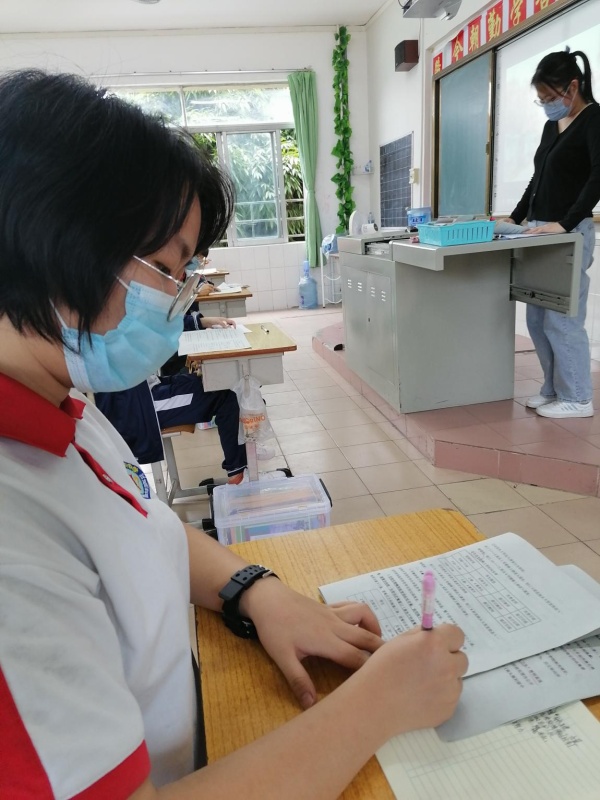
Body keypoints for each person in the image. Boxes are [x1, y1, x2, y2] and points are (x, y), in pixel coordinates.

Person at [0, 69, 467, 800]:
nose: (177, 298)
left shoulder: (62, 404)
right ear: (59, 241)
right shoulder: (12, 541)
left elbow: (138, 527)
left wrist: (254, 591)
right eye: (167, 269)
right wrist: (379, 704)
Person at [506, 48, 600, 419]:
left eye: (550, 98)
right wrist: (516, 217)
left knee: (562, 319)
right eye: (542, 100)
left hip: (568, 233)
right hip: (539, 231)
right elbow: (538, 177)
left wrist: (565, 222)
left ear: (572, 87)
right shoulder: (552, 126)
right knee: (536, 319)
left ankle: (578, 397)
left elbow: (598, 178)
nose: (547, 106)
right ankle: (553, 389)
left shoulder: (594, 120)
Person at [95, 311, 250, 483]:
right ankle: (237, 473)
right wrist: (198, 323)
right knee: (225, 394)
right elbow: (150, 324)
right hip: (139, 408)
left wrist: (201, 322)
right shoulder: (103, 321)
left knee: (220, 383)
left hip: (145, 389)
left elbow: (151, 321)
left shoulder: (105, 314)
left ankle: (241, 466)